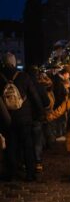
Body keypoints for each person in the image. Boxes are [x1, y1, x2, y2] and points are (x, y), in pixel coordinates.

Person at [0, 53, 44, 181]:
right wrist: (40, 113)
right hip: (24, 118)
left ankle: (11, 173)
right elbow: (34, 96)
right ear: (14, 63)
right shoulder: (24, 76)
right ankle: (30, 174)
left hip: (6, 118)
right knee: (27, 146)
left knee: (11, 145)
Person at [27, 66, 50, 172]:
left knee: (27, 140)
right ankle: (38, 162)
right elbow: (47, 102)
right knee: (37, 140)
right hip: (37, 117)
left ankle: (26, 162)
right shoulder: (40, 87)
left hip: (25, 117)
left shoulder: (23, 85)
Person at [52, 65, 70, 138]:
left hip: (59, 104)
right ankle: (60, 134)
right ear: (65, 73)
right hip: (59, 104)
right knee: (60, 120)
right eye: (68, 74)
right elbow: (58, 94)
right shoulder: (59, 81)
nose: (68, 77)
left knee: (61, 120)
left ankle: (60, 133)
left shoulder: (59, 79)